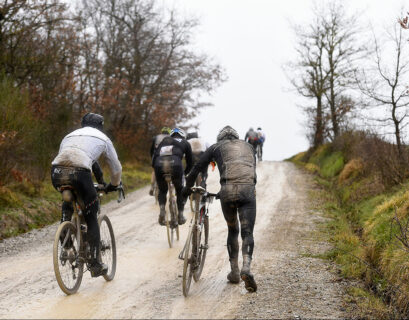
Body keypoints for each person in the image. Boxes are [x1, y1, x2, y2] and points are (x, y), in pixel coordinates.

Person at [182, 125, 257, 292]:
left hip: (227, 192)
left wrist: (186, 189)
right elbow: (253, 173)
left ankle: (235, 272)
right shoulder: (249, 147)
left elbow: (197, 168)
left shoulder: (216, 147)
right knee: (247, 233)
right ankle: (246, 267)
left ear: (220, 138)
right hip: (248, 191)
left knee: (233, 230)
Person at [51, 113, 122, 277]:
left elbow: (85, 160)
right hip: (80, 173)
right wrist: (113, 184)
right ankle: (95, 264)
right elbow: (115, 167)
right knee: (91, 215)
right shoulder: (102, 138)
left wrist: (100, 179)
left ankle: (67, 246)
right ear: (101, 125)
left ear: (83, 124)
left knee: (68, 202)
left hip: (56, 172)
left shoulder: (69, 136)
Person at [152, 127, 193, 226]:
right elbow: (190, 162)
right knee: (179, 190)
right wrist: (185, 172)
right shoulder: (185, 142)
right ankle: (180, 215)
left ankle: (162, 209)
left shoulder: (163, 141)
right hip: (176, 165)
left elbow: (154, 158)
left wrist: (156, 169)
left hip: (159, 164)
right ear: (183, 135)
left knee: (162, 190)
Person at [149, 127, 171, 196]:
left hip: (157, 157)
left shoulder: (156, 137)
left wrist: (152, 157)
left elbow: (152, 149)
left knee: (154, 171)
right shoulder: (171, 137)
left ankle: (152, 187)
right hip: (169, 158)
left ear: (161, 132)